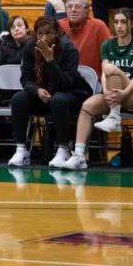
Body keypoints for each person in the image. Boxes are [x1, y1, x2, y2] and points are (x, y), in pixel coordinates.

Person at [60, 8, 133, 170]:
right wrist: (107, 94)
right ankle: (79, 155)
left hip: (132, 95)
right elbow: (103, 74)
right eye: (116, 22)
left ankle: (114, 117)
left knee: (112, 70)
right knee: (87, 107)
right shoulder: (107, 45)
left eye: (123, 22)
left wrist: (123, 93)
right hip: (112, 94)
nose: (119, 26)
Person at [7, 17, 91, 168]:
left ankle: (63, 149)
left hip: (72, 94)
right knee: (18, 99)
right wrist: (37, 90)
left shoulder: (69, 49)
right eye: (40, 34)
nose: (44, 38)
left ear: (57, 33)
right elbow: (25, 78)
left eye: (49, 33)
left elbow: (64, 84)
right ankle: (21, 150)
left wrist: (51, 61)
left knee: (58, 99)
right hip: (45, 94)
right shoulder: (30, 47)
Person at [58, 0, 110, 77]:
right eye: (70, 7)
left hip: (93, 80)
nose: (73, 10)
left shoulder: (99, 26)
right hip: (66, 79)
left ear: (86, 11)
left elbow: (108, 55)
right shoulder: (59, 26)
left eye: (77, 7)